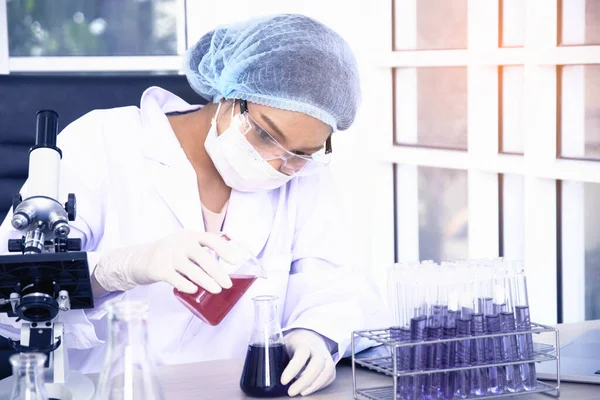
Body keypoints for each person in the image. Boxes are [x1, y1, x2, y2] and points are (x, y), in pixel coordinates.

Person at [0, 13, 381, 397]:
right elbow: (11, 300)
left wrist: (316, 335)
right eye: (266, 134)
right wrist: (119, 269)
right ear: (230, 95)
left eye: (302, 153)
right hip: (112, 390)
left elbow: (336, 285)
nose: (277, 163)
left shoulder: (302, 175)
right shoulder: (102, 141)